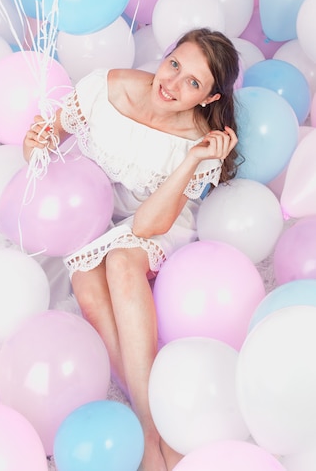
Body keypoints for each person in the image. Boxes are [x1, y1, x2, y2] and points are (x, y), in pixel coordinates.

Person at [23, 28, 240, 471]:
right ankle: (153, 422)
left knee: (122, 261)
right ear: (166, 55)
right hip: (95, 212)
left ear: (208, 98)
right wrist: (35, 146)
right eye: (175, 64)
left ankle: (149, 431)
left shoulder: (201, 140)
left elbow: (147, 225)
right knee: (86, 279)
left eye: (193, 83)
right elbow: (43, 143)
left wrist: (193, 160)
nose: (173, 83)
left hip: (157, 220)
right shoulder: (105, 88)